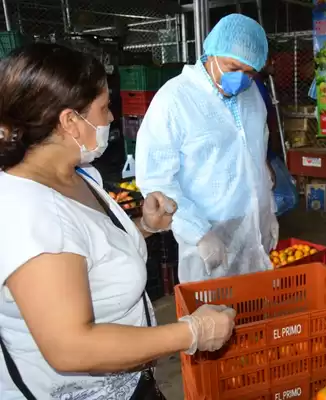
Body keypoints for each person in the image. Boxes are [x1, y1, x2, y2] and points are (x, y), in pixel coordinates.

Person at [0, 43, 237, 399]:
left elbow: (90, 254)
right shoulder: (31, 213)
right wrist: (192, 332)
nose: (111, 118)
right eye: (103, 107)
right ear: (69, 122)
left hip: (128, 382)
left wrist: (145, 226)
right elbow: (71, 347)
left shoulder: (79, 176)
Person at [135, 14, 278, 284]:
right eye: (232, 67)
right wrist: (199, 233)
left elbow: (256, 158)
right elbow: (156, 179)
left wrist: (267, 210)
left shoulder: (251, 95)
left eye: (249, 72)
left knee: (255, 308)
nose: (241, 79)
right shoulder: (175, 100)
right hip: (207, 233)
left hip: (252, 227)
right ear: (211, 53)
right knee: (212, 317)